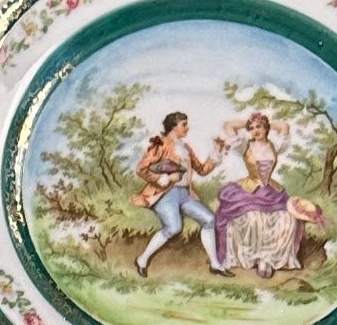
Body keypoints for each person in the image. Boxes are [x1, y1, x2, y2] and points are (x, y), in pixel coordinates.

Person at [211, 112, 309, 277]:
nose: (255, 131)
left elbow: (284, 126)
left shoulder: (275, 145)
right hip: (249, 191)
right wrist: (249, 121)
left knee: (287, 219)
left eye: (259, 127)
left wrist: (265, 120)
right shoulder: (244, 145)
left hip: (272, 193)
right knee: (252, 219)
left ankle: (268, 259)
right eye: (251, 128)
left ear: (266, 128)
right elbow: (228, 125)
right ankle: (256, 258)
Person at [131, 112, 216, 268]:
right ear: (173, 126)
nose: (187, 127)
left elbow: (202, 170)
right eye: (184, 124)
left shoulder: (186, 148)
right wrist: (163, 178)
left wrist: (215, 155)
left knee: (209, 219)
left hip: (185, 194)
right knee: (174, 227)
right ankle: (142, 260)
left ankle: (215, 264)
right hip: (164, 194)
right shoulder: (161, 144)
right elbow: (141, 169)